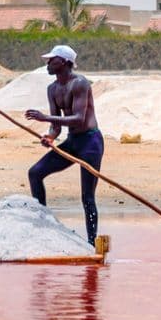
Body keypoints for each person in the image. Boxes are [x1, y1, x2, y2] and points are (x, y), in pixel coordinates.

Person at [24, 45, 104, 246]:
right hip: (73, 142)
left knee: (87, 196)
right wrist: (50, 137)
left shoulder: (80, 83)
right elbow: (56, 125)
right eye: (48, 60)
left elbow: (78, 118)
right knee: (35, 173)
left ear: (66, 62)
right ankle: (43, 224)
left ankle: (91, 243)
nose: (48, 63)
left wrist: (43, 117)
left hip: (91, 142)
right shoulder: (52, 89)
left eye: (52, 60)